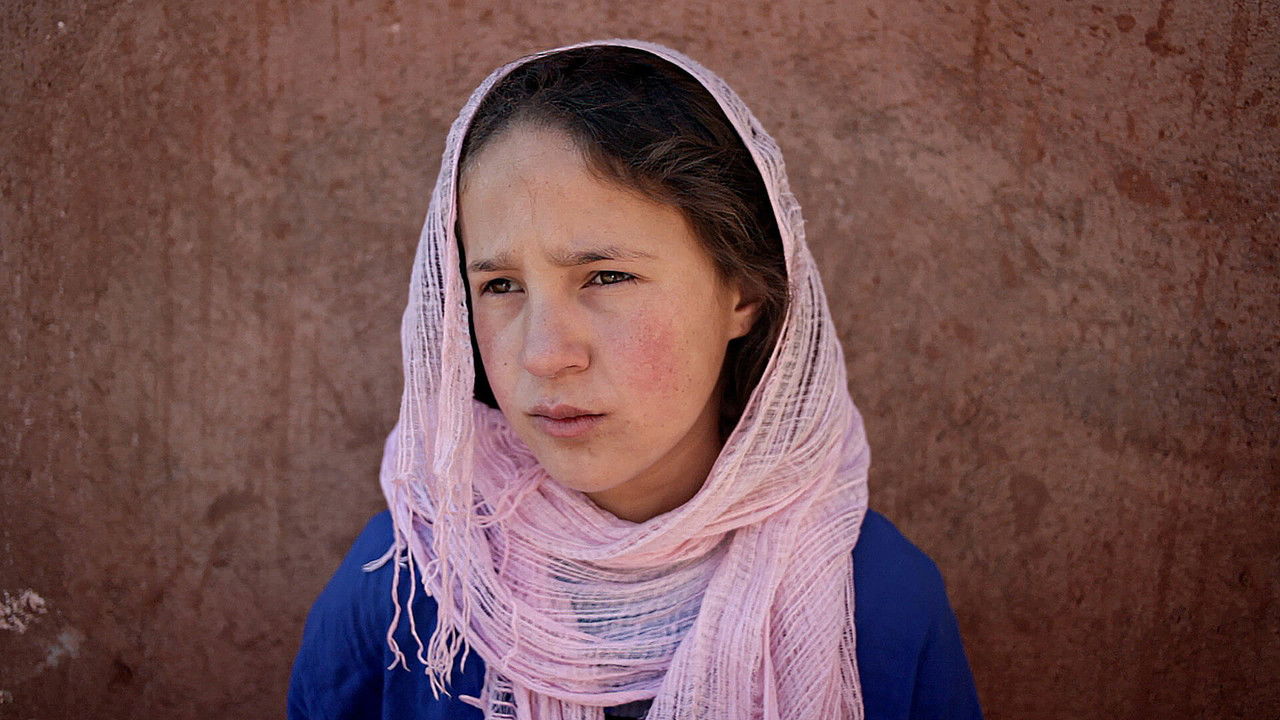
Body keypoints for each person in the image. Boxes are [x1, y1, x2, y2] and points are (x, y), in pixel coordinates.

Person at [287, 38, 983, 720]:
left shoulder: (876, 602)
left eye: (608, 276)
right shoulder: (408, 589)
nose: (545, 354)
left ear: (741, 292)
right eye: (500, 285)